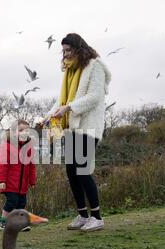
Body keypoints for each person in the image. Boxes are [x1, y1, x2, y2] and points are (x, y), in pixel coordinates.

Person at [42, 33, 112, 232]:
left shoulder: (94, 66)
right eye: (63, 51)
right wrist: (48, 115)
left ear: (78, 48)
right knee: (71, 171)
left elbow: (95, 96)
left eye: (68, 50)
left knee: (82, 169)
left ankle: (97, 217)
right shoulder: (70, 72)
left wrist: (70, 108)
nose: (65, 54)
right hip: (72, 126)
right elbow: (61, 101)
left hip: (88, 125)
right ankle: (83, 215)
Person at [0, 119, 36, 231]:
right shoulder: (7, 146)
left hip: (22, 184)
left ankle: (19, 224)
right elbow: (2, 165)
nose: (25, 133)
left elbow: (32, 165)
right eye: (21, 130)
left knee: (21, 203)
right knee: (12, 201)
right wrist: (2, 181)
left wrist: (32, 180)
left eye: (27, 130)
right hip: (10, 183)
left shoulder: (29, 146)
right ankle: (3, 223)